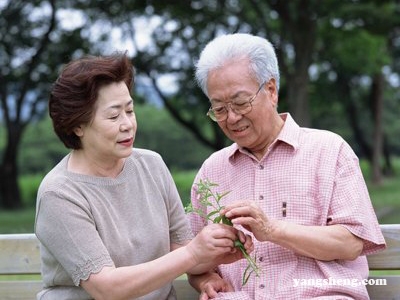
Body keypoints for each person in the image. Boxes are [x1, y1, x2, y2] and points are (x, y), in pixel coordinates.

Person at [34, 53, 253, 300]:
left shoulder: (151, 165)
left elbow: (181, 249)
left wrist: (216, 254)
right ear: (77, 126)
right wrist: (194, 253)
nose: (127, 124)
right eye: (114, 116)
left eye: (130, 110)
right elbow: (107, 288)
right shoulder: (60, 193)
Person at [187, 33, 386, 300]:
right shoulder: (212, 171)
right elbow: (194, 259)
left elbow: (351, 243)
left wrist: (272, 231)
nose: (232, 118)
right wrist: (206, 280)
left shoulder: (329, 150)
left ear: (270, 91)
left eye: (240, 102)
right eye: (219, 109)